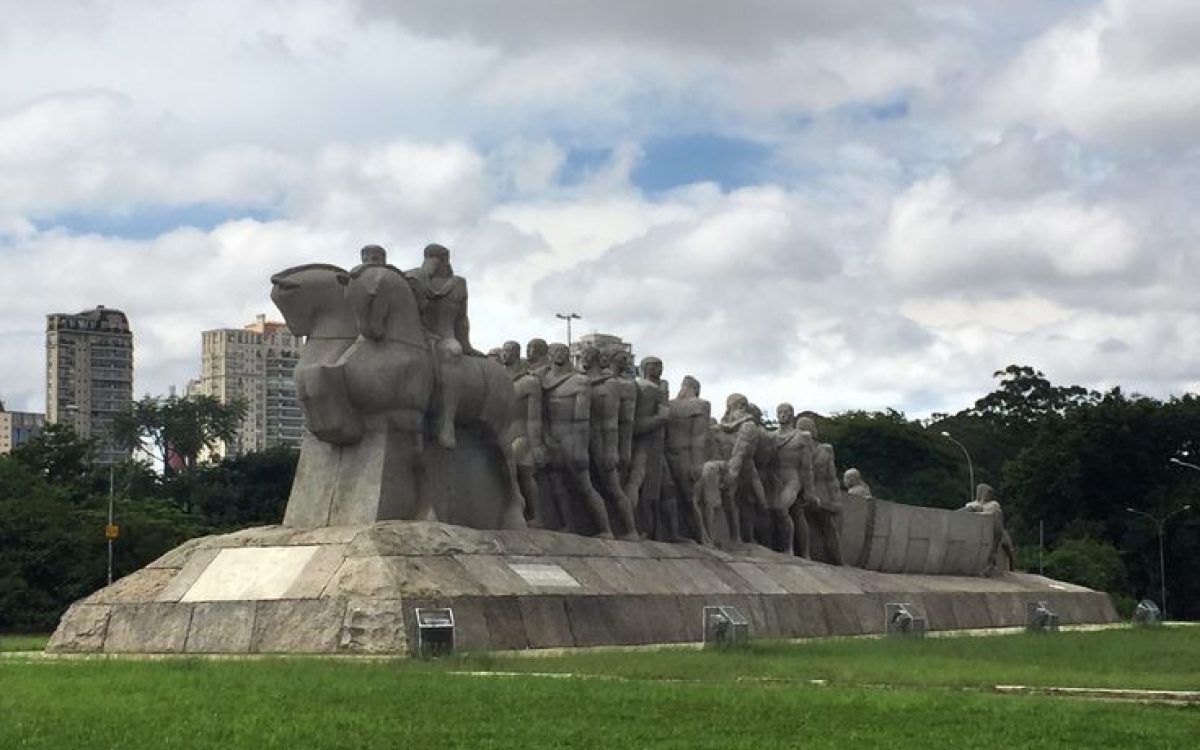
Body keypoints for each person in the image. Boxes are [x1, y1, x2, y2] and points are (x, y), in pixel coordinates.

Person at [406, 243, 478, 449]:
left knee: (453, 352)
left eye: (441, 258)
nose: (440, 263)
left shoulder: (459, 284)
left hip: (445, 338)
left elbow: (462, 320)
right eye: (434, 258)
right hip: (416, 337)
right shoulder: (413, 278)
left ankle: (447, 423)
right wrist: (423, 272)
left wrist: (466, 345)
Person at [541, 342, 616, 538]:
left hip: (572, 437)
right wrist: (548, 438)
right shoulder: (544, 379)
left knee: (584, 485)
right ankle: (568, 524)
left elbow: (582, 419)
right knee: (558, 484)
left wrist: (581, 448)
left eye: (562, 352)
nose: (558, 354)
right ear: (548, 355)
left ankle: (606, 529)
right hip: (554, 437)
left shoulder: (579, 381)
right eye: (554, 351)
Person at [501, 340, 546, 526]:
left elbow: (534, 418)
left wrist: (536, 446)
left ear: (517, 354)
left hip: (522, 434)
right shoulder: (497, 378)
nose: (506, 354)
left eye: (510, 351)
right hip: (501, 432)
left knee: (522, 471)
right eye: (504, 351)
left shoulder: (530, 382)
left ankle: (534, 515)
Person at [666, 376, 713, 544]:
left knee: (686, 497)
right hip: (683, 454)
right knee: (686, 497)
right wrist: (697, 463)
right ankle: (700, 536)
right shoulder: (700, 404)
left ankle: (702, 536)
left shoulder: (672, 405)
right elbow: (699, 437)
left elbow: (699, 437)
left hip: (674, 453)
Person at [773, 402, 817, 556]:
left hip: (792, 479)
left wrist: (809, 490)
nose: (783, 414)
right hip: (775, 479)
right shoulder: (771, 436)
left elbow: (807, 466)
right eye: (780, 412)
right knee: (787, 512)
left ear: (792, 415)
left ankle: (789, 548)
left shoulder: (802, 437)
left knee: (781, 507)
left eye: (786, 412)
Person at [963, 483, 1016, 575]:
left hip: (995, 528)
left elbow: (994, 513)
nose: (989, 495)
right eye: (987, 492)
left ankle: (1011, 567)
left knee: (1008, 546)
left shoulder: (993, 504)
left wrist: (980, 510)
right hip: (977, 530)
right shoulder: (971, 504)